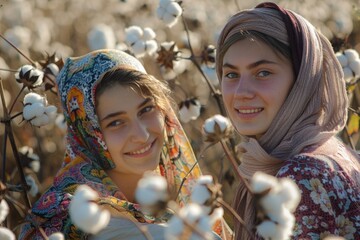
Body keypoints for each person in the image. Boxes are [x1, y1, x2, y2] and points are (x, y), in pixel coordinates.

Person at [18, 49, 218, 239]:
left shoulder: (172, 197)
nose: (142, 134)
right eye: (116, 123)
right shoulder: (76, 219)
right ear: (88, 133)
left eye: (146, 109)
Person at [216, 2, 360, 239]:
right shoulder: (338, 153)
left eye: (263, 72)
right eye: (231, 74)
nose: (241, 92)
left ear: (303, 79)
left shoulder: (300, 177)